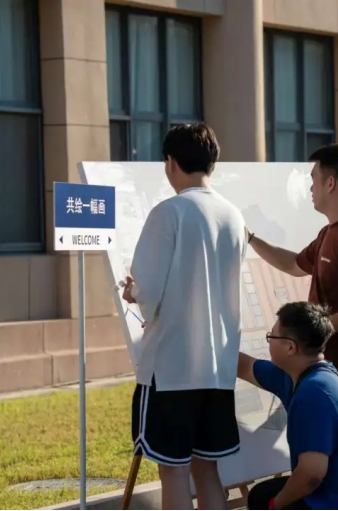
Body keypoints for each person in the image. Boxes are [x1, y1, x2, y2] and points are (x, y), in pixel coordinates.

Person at [122, 123, 246, 510]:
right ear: (213, 162)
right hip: (217, 367)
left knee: (173, 472)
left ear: (171, 163)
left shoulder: (168, 212)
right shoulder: (233, 215)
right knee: (207, 470)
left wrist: (131, 292)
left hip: (171, 368)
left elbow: (147, 288)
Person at [246, 143, 338, 436]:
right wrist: (249, 238)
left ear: (331, 183)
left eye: (313, 178)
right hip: (329, 370)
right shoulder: (330, 232)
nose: (310, 187)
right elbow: (293, 264)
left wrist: (315, 330)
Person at [238, 301, 338, 510]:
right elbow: (244, 366)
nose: (269, 343)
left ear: (290, 347)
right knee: (261, 494)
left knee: (267, 500)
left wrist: (275, 505)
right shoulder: (302, 375)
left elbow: (311, 474)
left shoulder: (315, 391)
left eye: (271, 337)